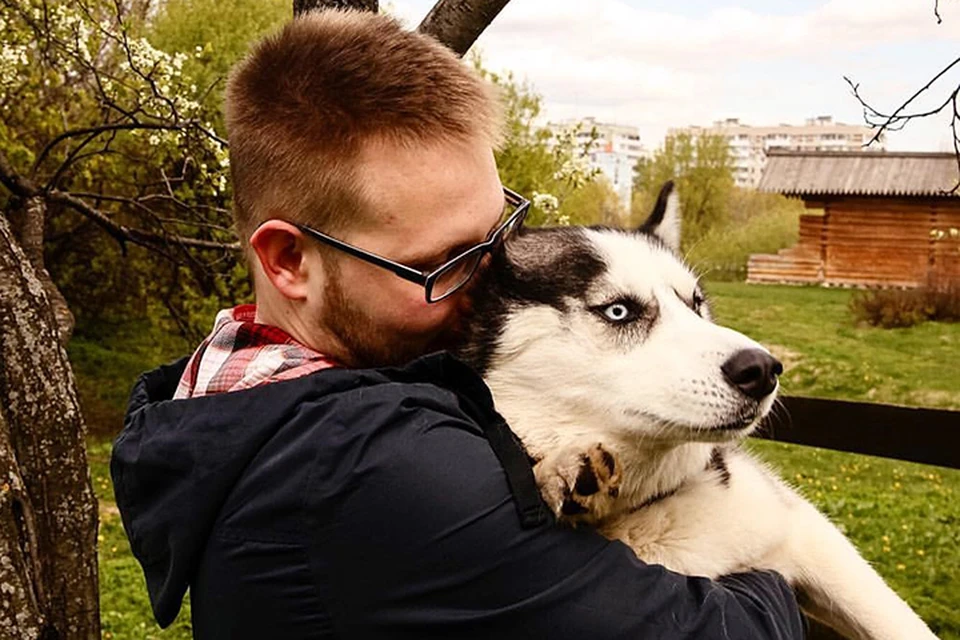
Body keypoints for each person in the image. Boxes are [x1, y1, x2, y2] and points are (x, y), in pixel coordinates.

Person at [112, 9, 805, 639]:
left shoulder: (232, 400)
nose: (495, 284)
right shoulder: (374, 464)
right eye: (443, 261)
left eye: (498, 234)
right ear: (290, 260)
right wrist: (778, 572)